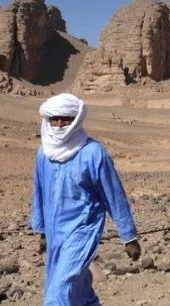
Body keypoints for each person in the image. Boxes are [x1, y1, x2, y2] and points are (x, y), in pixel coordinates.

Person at [31, 93, 141, 305]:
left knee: (59, 292)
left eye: (66, 119)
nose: (60, 124)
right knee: (78, 291)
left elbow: (114, 195)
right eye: (55, 119)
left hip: (83, 230)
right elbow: (39, 192)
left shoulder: (93, 153)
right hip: (55, 232)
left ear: (76, 119)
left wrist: (128, 236)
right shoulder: (43, 154)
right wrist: (42, 231)